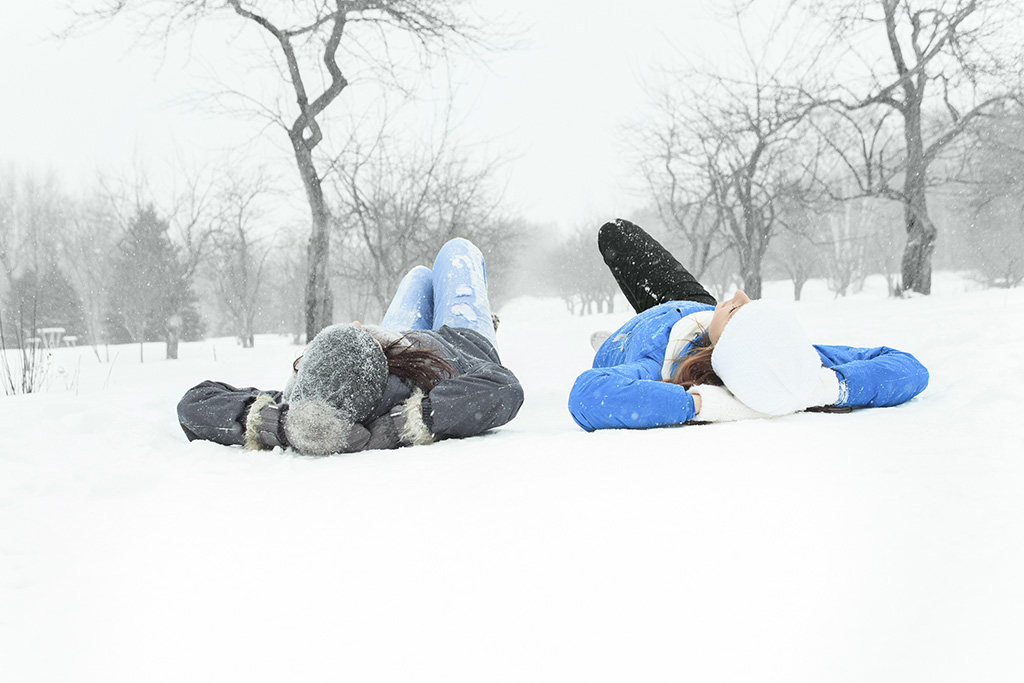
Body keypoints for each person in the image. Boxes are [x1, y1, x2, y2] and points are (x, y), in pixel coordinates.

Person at [568, 219, 929, 431]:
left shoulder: (663, 368)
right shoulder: (790, 360)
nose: (740, 294)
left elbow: (589, 395)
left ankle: (607, 342)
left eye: (741, 311)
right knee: (615, 232)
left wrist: (701, 405)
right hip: (697, 310)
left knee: (610, 350)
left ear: (729, 352)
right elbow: (909, 370)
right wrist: (822, 388)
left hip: (638, 341)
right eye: (752, 305)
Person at [178, 238, 524, 455]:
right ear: (377, 353)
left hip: (400, 334)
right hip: (464, 340)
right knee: (457, 250)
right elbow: (504, 386)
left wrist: (282, 425)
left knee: (419, 276)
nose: (358, 323)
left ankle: (403, 322)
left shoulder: (314, 397)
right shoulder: (424, 385)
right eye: (359, 333)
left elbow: (194, 403)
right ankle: (481, 318)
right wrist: (407, 422)